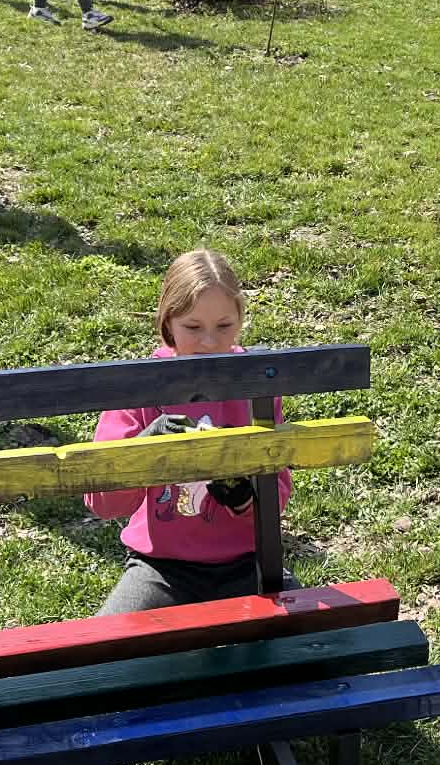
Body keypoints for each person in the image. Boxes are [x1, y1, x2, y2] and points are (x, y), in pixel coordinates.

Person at [83, 250, 294, 614]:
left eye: (224, 326)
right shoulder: (139, 387)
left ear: (241, 319)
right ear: (168, 323)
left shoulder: (256, 382)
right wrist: (144, 453)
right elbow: (101, 502)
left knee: (313, 637)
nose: (209, 342)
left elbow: (278, 496)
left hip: (248, 563)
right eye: (193, 328)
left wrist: (244, 496)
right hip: (161, 568)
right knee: (107, 644)